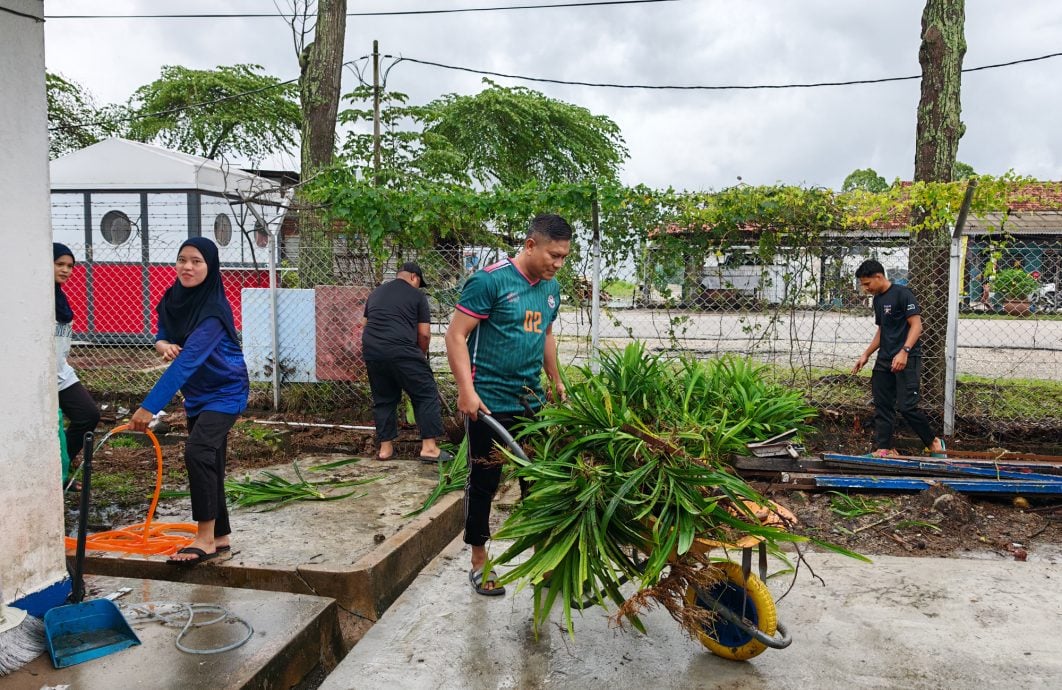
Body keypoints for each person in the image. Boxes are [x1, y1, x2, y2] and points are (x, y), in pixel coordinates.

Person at [445, 213, 571, 596]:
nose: (558, 263)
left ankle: (541, 560)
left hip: (529, 402)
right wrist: (467, 390)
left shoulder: (550, 289)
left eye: (564, 257)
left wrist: (555, 379)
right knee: (485, 481)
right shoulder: (490, 281)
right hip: (488, 403)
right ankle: (480, 561)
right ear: (530, 245)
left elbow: (545, 335)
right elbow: (455, 336)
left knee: (538, 481)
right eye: (553, 255)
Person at [128, 237, 249, 566]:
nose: (188, 266)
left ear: (210, 267)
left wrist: (149, 406)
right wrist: (162, 343)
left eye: (196, 261)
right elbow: (162, 329)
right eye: (182, 259)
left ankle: (204, 539)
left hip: (226, 391)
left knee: (197, 452)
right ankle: (220, 536)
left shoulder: (213, 311)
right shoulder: (173, 298)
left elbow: (187, 362)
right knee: (212, 461)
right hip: (198, 394)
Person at [851, 259, 945, 457]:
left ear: (879, 276)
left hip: (906, 358)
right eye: (862, 285)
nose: (865, 288)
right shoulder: (877, 300)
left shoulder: (903, 294)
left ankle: (934, 442)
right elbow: (882, 330)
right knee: (882, 404)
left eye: (867, 284)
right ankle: (883, 448)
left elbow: (917, 326)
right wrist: (866, 354)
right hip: (884, 358)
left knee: (906, 406)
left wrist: (905, 351)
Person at [362, 261, 450, 463]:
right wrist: (419, 354)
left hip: (373, 351)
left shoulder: (376, 293)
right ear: (414, 277)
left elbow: (365, 324)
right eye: (420, 282)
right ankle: (429, 448)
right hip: (402, 349)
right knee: (425, 392)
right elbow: (424, 334)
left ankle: (385, 449)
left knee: (383, 398)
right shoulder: (417, 296)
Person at [54, 243, 101, 485]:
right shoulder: (36, 300)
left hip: (61, 372)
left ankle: (61, 466)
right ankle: (55, 475)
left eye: (70, 266)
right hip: (41, 376)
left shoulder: (59, 298)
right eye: (59, 264)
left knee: (88, 414)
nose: (66, 270)